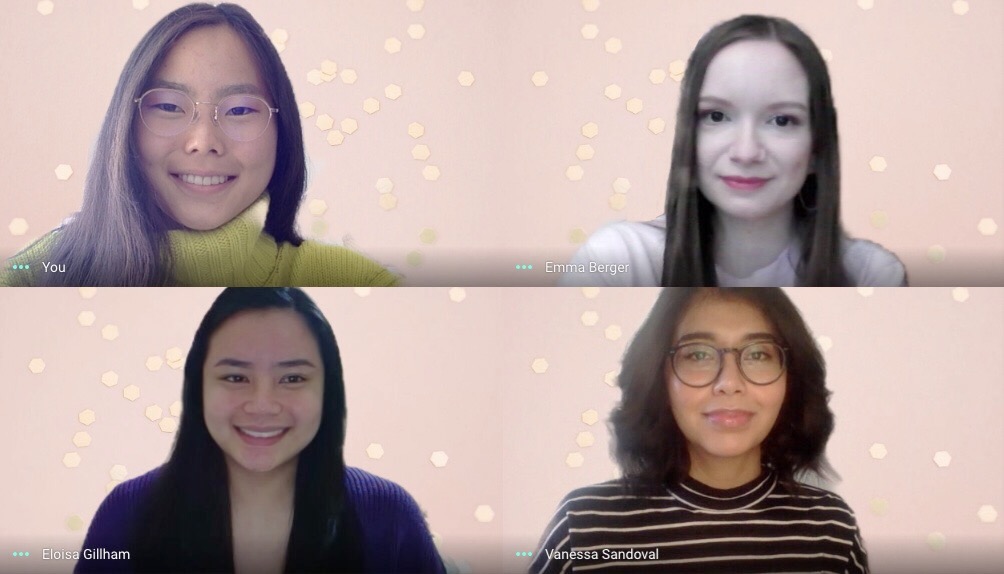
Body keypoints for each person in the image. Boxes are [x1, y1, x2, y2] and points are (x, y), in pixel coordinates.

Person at [1, 4, 396, 287]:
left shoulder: (360, 284)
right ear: (125, 126)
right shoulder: (31, 278)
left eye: (240, 109)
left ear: (283, 130)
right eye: (170, 106)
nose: (203, 142)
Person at [75, 288, 444, 573]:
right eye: (235, 377)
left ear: (328, 391)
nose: (262, 404)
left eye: (293, 378)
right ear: (198, 386)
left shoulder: (389, 518)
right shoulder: (127, 514)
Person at [530, 288, 869, 573]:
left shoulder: (830, 531)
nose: (730, 383)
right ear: (658, 378)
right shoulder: (587, 526)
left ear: (790, 380)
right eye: (698, 354)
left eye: (758, 354)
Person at [560, 15, 905, 287]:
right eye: (716, 116)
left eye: (782, 120)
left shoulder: (870, 275)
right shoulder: (619, 259)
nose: (746, 152)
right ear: (689, 136)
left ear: (817, 147)